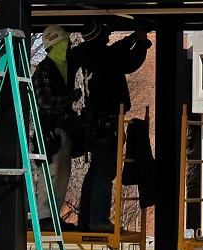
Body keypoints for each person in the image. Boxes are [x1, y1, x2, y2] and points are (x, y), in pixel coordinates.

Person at [76, 20, 150, 233]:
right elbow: (129, 62)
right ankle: (98, 219)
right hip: (108, 122)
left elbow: (114, 51)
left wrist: (132, 38)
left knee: (95, 170)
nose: (109, 36)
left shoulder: (89, 54)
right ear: (99, 37)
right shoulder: (104, 57)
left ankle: (86, 219)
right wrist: (142, 43)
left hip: (96, 122)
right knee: (105, 170)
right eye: (105, 34)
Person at [33, 25, 82, 231]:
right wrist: (69, 97)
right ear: (58, 44)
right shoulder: (44, 70)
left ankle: (52, 216)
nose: (69, 45)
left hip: (62, 128)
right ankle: (45, 217)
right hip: (50, 131)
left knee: (62, 175)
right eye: (66, 42)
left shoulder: (62, 67)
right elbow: (45, 101)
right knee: (51, 173)